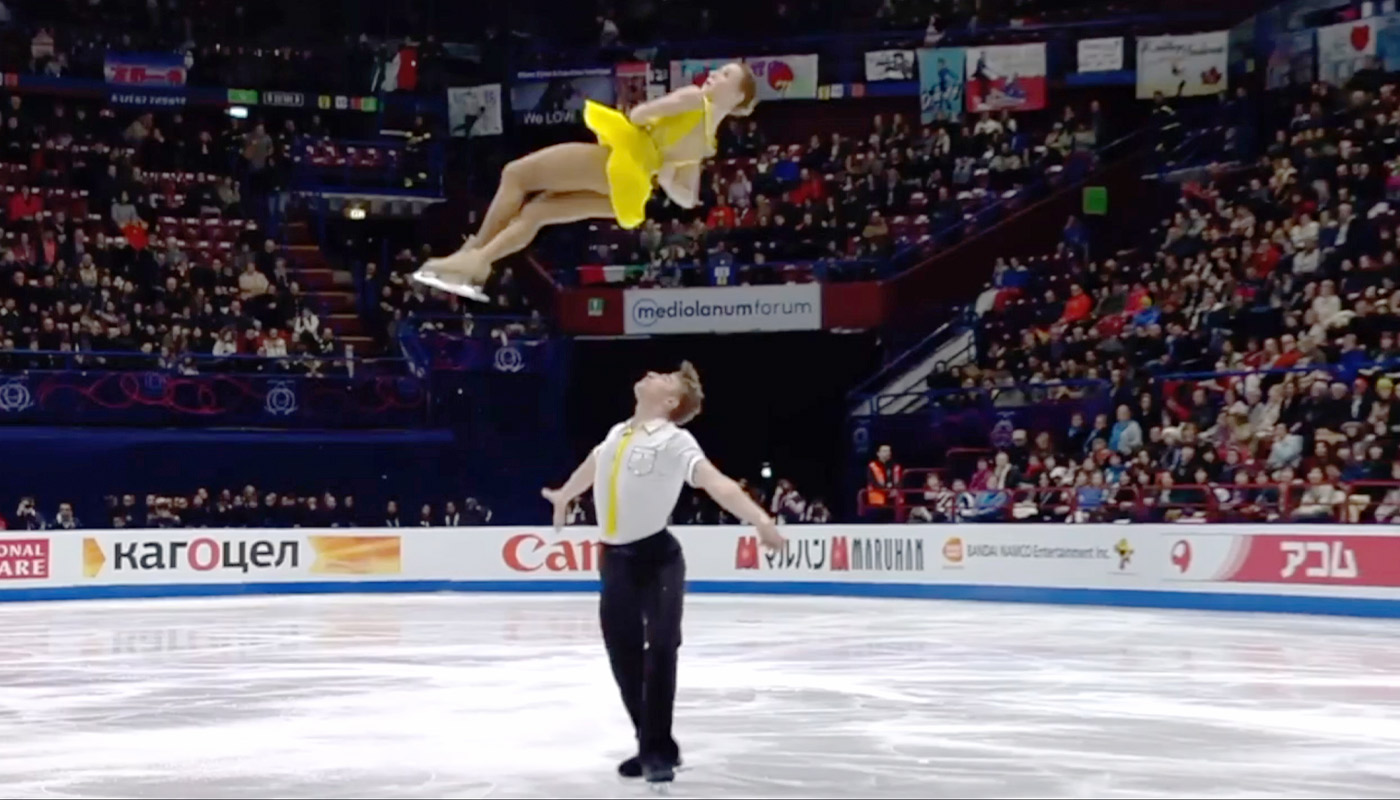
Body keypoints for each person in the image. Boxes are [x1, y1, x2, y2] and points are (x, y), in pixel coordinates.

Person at [540, 361, 784, 784]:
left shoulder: (675, 440)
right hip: (614, 560)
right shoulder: (618, 433)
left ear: (670, 401)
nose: (652, 373)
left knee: (663, 646)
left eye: (664, 378)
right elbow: (595, 464)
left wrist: (760, 520)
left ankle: (657, 750)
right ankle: (649, 741)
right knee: (623, 653)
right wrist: (565, 494)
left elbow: (716, 484)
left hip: (658, 558)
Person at [414, 62, 759, 301]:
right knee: (537, 213)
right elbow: (687, 198)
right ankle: (480, 264)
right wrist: (666, 173)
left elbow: (638, 116)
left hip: (618, 161)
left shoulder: (692, 98)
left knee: (516, 175)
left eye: (726, 74)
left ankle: (470, 256)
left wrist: (642, 116)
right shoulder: (707, 142)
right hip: (630, 191)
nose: (715, 74)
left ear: (737, 96)